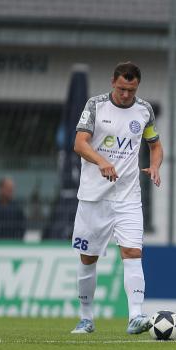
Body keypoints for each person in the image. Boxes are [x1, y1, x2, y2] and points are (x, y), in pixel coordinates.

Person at [70, 62, 162, 335]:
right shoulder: (95, 106)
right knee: (88, 258)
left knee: (133, 252)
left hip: (127, 196)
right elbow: (79, 143)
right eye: (121, 89)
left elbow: (154, 144)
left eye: (130, 90)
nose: (125, 95)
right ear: (113, 82)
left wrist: (155, 165)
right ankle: (86, 318)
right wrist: (101, 162)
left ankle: (135, 316)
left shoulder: (144, 110)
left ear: (137, 87)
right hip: (93, 197)